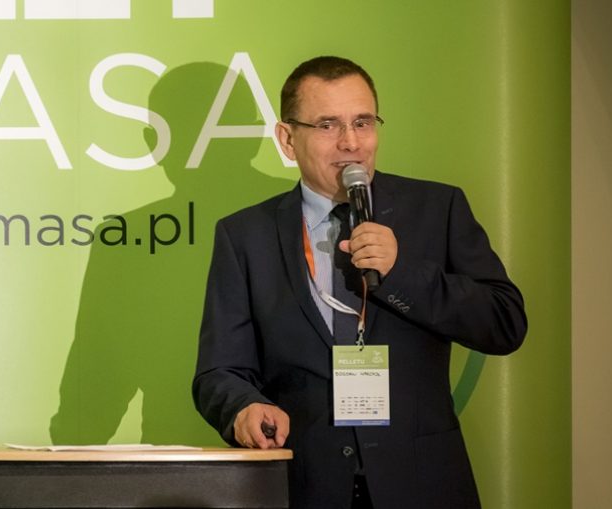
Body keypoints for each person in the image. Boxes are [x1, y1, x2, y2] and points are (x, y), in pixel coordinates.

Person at [191, 56, 527, 509]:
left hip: (422, 485)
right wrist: (243, 408)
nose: (351, 142)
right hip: (303, 485)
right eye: (327, 125)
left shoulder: (437, 209)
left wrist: (402, 271)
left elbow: (505, 323)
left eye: (363, 122)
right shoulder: (246, 235)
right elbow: (219, 371)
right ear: (287, 139)